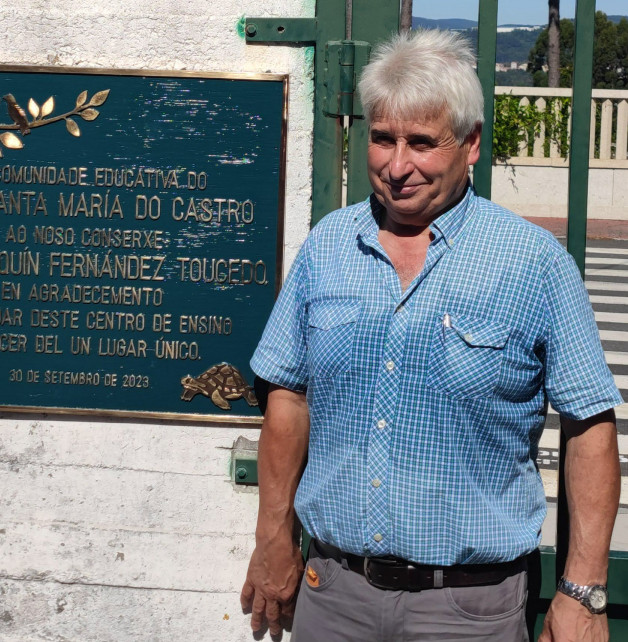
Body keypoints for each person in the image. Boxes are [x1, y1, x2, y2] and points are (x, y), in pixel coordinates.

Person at [240, 29, 622, 642]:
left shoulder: (532, 262)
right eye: (384, 139)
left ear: (470, 144)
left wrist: (583, 589)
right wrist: (271, 538)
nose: (397, 166)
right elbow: (288, 394)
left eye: (421, 143)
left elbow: (591, 427)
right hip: (333, 596)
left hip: (469, 612)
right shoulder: (329, 247)